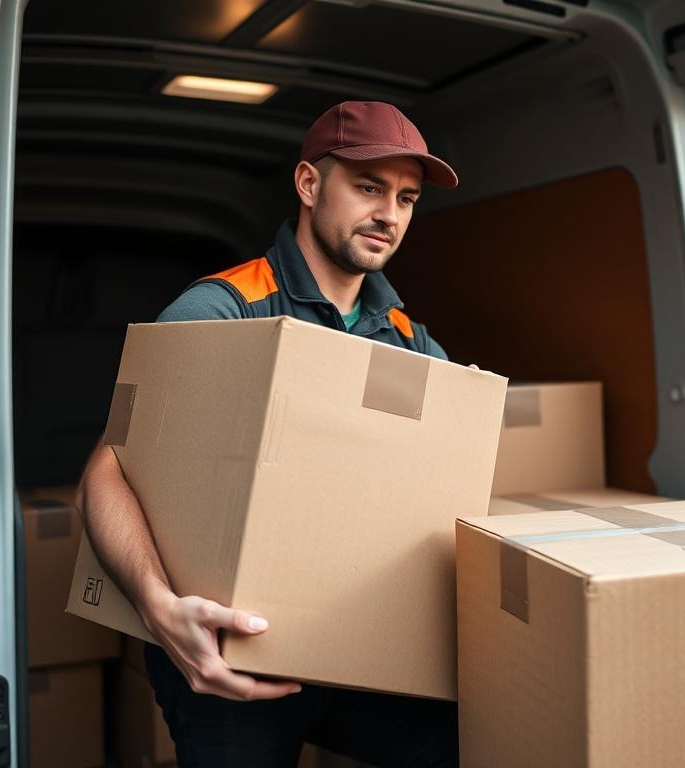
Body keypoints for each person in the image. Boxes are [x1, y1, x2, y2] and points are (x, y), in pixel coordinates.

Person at [76, 101, 462, 768]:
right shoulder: (222, 310)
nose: (390, 215)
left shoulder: (408, 341)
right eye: (369, 187)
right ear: (310, 185)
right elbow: (106, 470)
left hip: (358, 640)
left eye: (406, 197)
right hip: (227, 648)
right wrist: (160, 610)